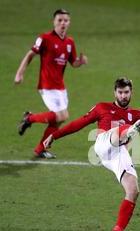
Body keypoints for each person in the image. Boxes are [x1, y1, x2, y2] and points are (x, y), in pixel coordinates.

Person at [43, 77, 140, 231]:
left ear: (131, 93)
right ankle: (130, 130)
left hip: (117, 154)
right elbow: (79, 123)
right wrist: (54, 135)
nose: (123, 96)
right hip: (103, 143)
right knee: (123, 130)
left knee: (133, 190)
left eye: (126, 92)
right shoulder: (102, 107)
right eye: (120, 92)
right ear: (115, 92)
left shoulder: (136, 114)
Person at [14, 8, 88, 159]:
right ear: (54, 22)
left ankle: (40, 148)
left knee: (59, 120)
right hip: (46, 85)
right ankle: (29, 118)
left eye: (65, 20)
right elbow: (30, 55)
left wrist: (80, 62)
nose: (62, 23)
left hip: (60, 87)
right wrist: (19, 73)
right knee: (61, 116)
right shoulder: (44, 38)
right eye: (59, 20)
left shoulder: (69, 42)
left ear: (69, 23)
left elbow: (72, 63)